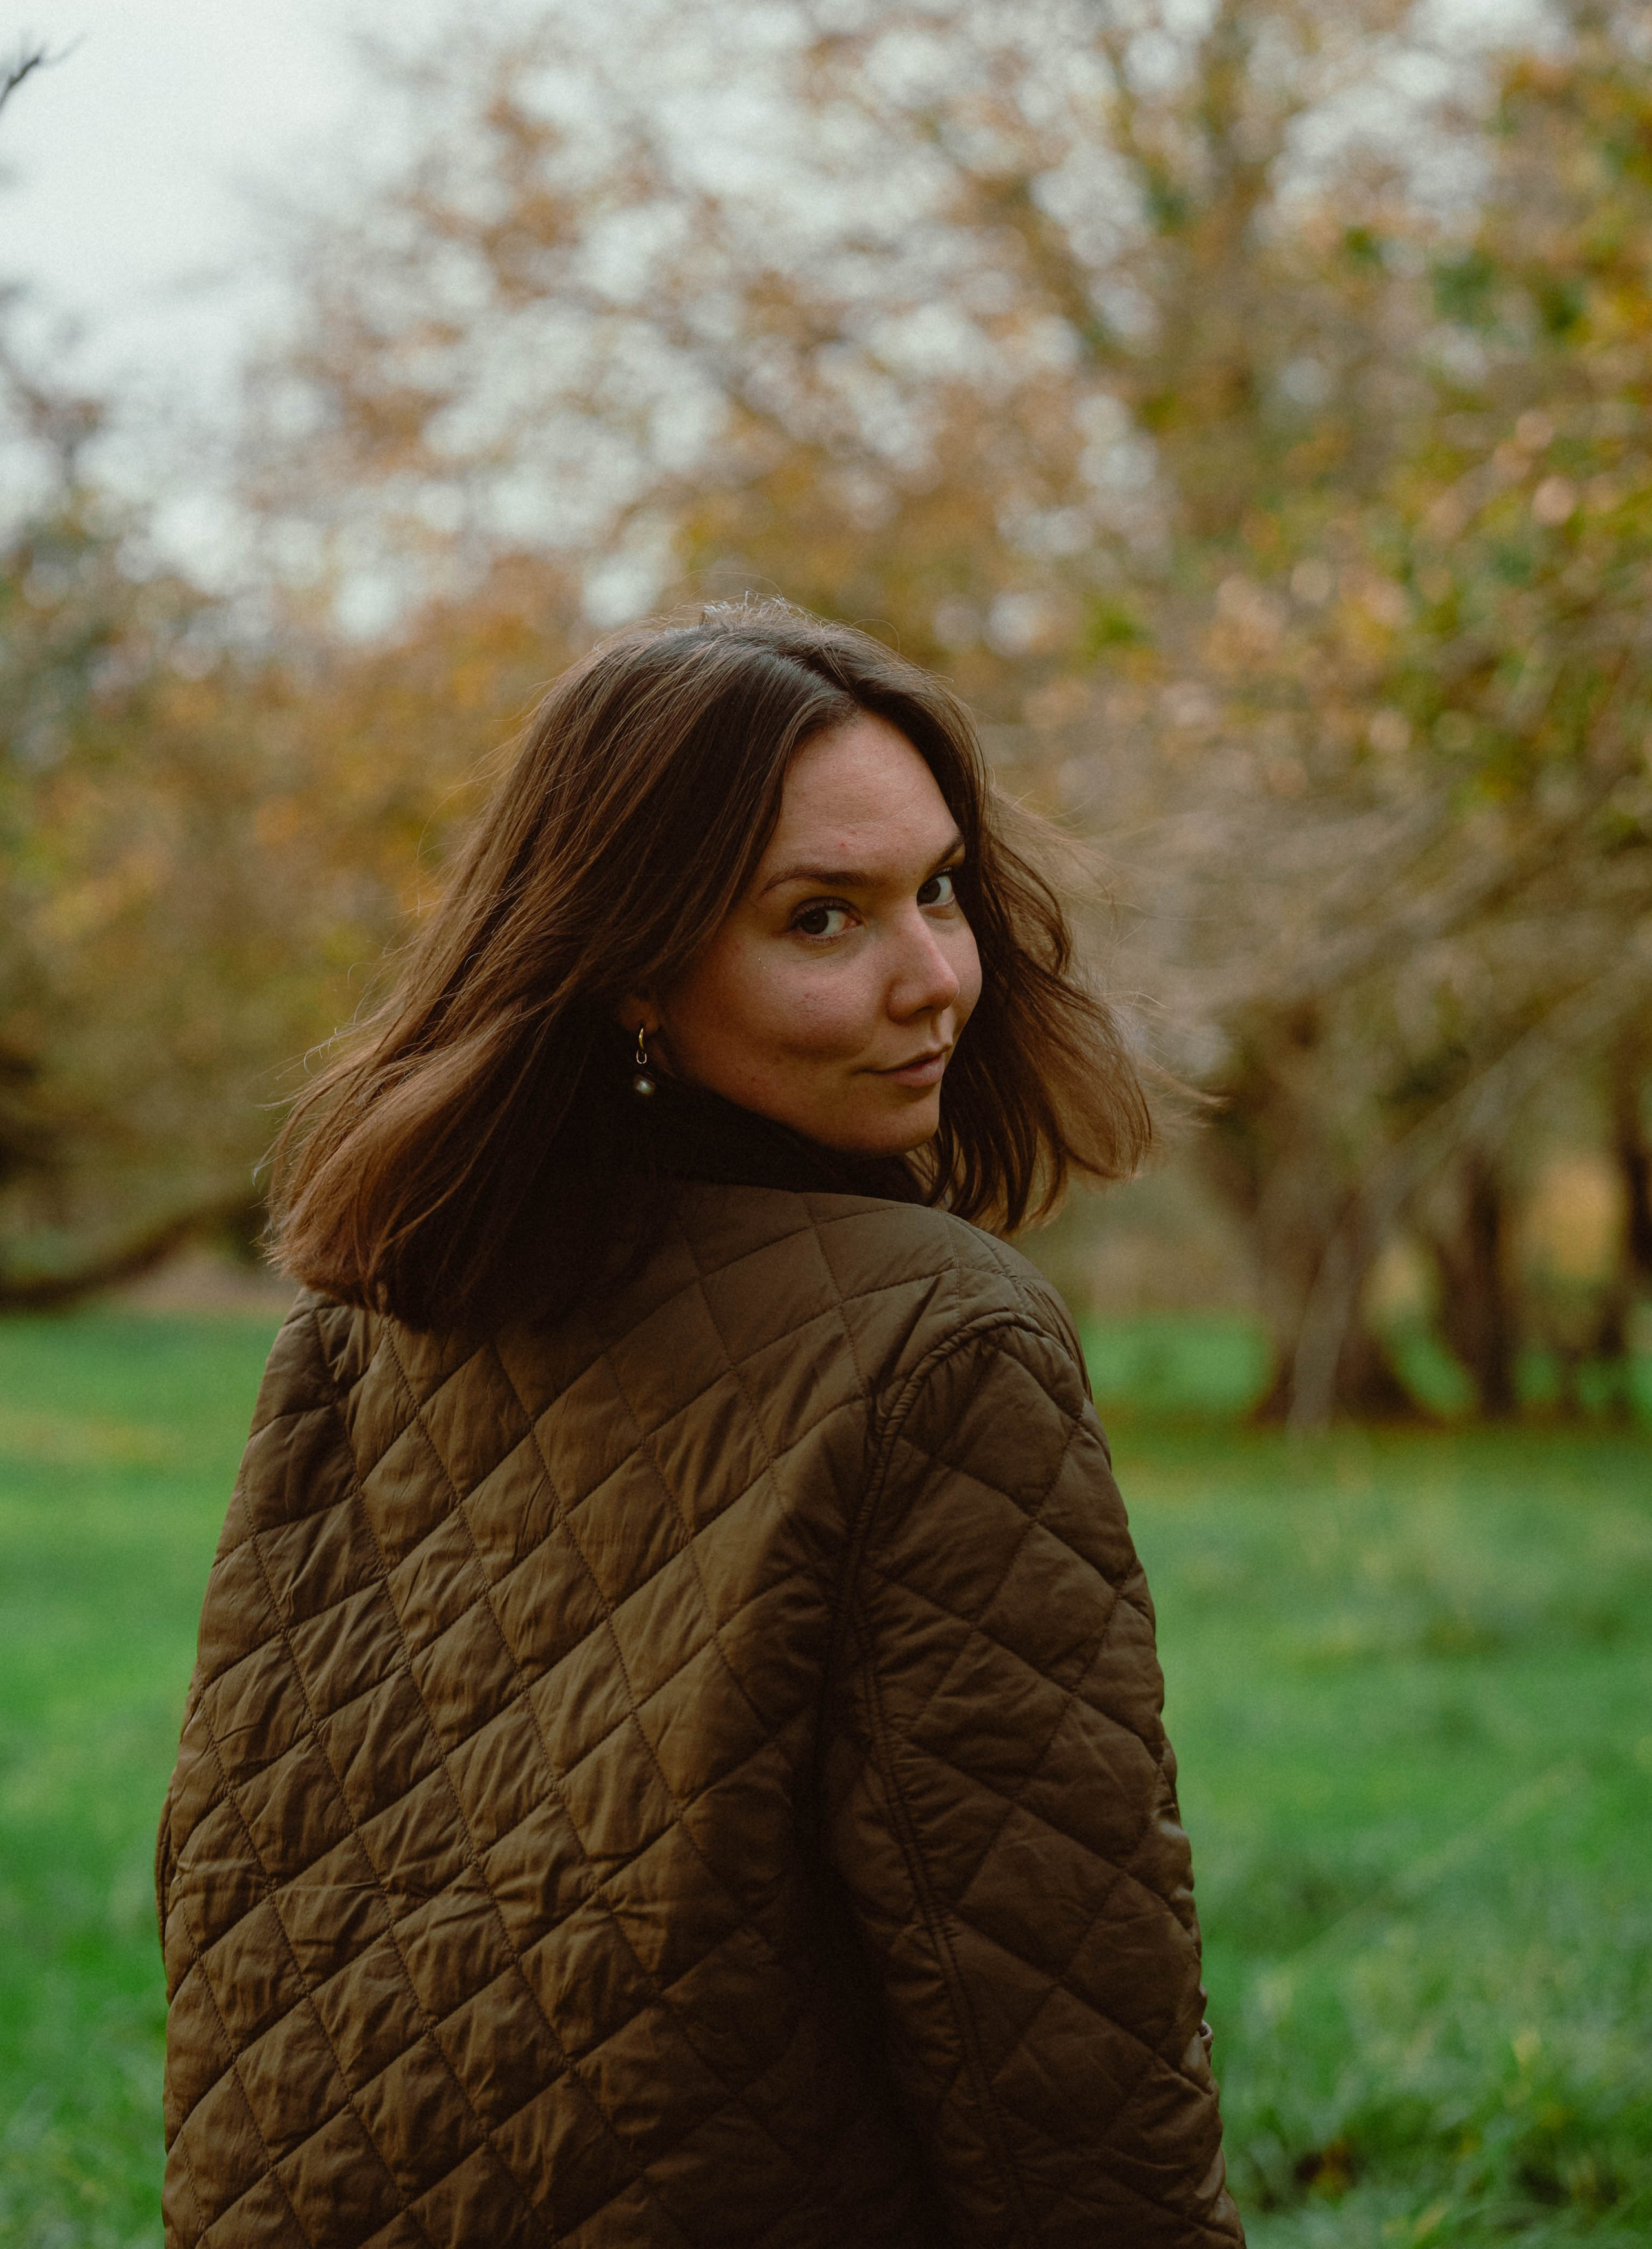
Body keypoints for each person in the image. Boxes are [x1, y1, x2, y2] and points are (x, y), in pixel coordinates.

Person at [157, 602, 1243, 2248]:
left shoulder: (370, 1297)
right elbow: (1053, 2013)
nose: (933, 977)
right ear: (631, 966)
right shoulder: (937, 1337)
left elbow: (228, 1890)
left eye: (938, 890)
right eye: (822, 919)